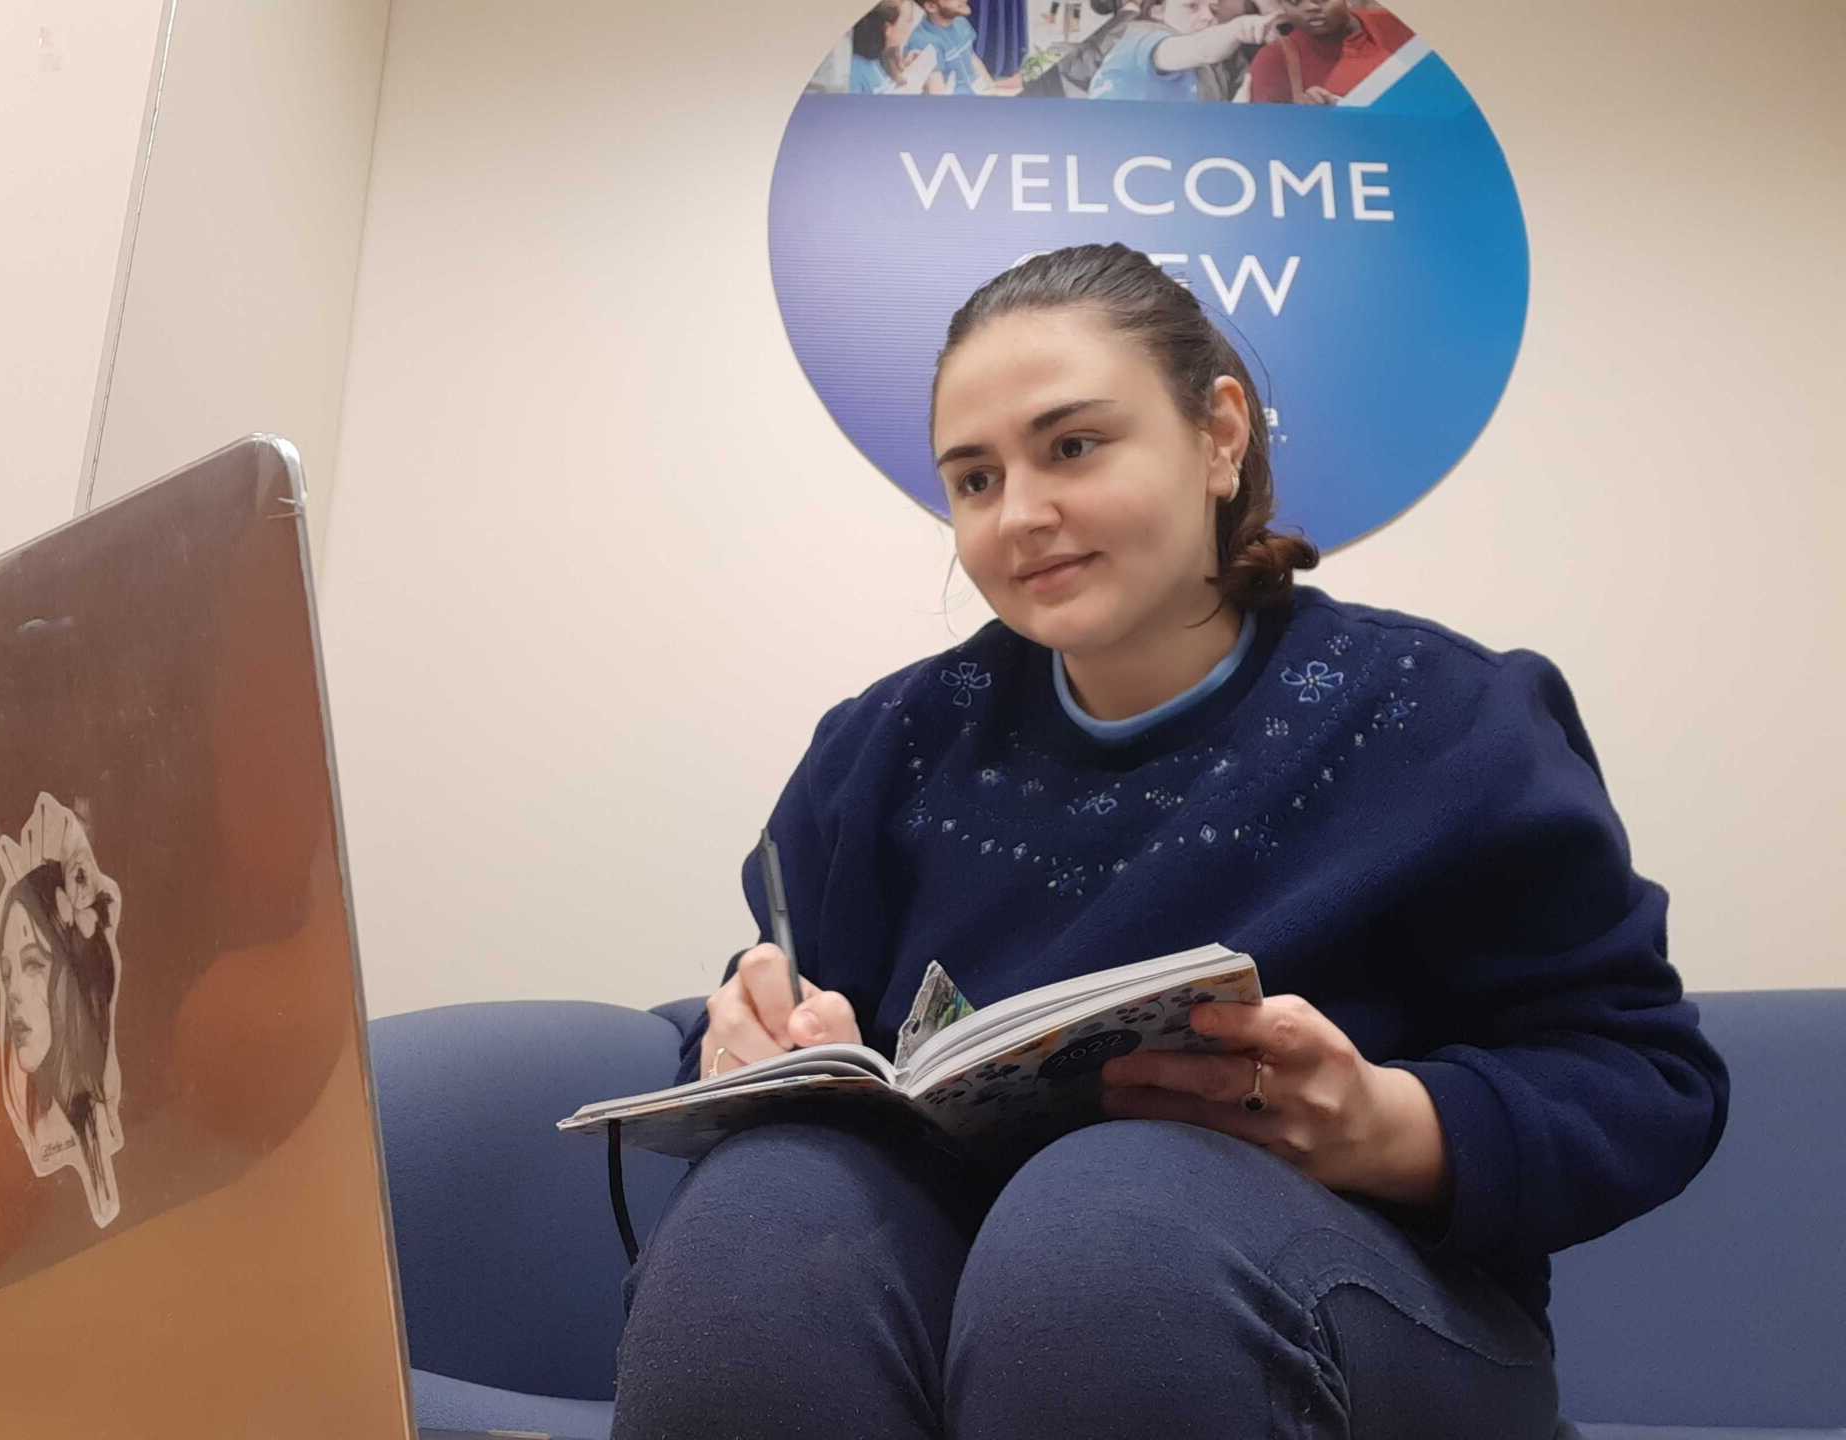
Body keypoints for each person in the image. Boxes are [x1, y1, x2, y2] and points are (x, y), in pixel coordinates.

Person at [608, 243, 1729, 1437]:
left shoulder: (1445, 719)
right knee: (760, 1225)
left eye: (1073, 446)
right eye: (974, 480)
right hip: (955, 1293)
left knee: (1109, 1225)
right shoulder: (884, 748)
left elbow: (1643, 1080)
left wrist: (1389, 1123)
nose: (1022, 514)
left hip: (1366, 1307)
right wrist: (753, 1042)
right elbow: (775, 1028)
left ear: (1220, 435)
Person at [0, 847, 123, 1228]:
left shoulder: (114, 1098)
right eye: (6, 973)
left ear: (74, 970)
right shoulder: (31, 1133)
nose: (13, 992)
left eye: (32, 963)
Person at [1087, 0, 1283, 102]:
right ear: (1157, 9)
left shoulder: (1221, 66)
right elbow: (1199, 49)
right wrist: (1238, 29)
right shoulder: (1139, 38)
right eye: (1192, 6)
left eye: (1212, 8)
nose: (1208, 16)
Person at [1247, 0, 1414, 104]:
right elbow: (1267, 138)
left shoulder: (1400, 28)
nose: (1310, 7)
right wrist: (1307, 120)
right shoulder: (1274, 60)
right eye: (1295, 1)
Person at [910, 0, 1024, 95]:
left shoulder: (960, 22)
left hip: (979, 93)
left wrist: (990, 89)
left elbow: (972, 58)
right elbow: (938, 98)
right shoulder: (922, 42)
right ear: (931, 6)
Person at [850, 0, 954, 95]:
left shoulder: (890, 56)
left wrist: (911, 71)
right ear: (887, 29)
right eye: (908, 21)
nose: (911, 27)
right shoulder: (856, 70)